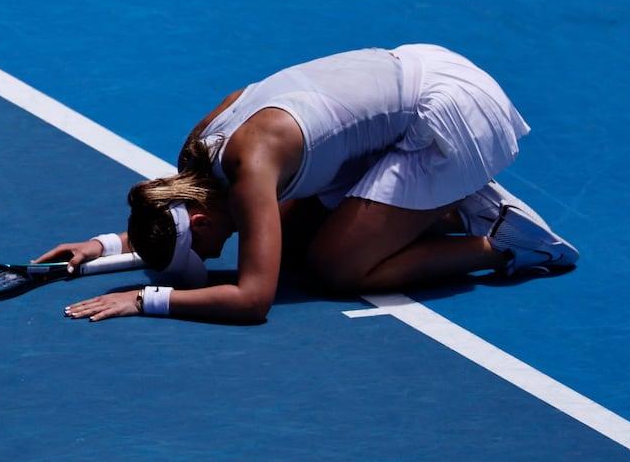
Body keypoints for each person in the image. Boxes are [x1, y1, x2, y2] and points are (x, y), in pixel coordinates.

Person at [35, 45, 577, 323]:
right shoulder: (198, 156)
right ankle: (447, 203)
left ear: (198, 219)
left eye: (201, 249)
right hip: (421, 75)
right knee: (288, 244)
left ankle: (500, 242)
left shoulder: (250, 173)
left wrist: (147, 299)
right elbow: (174, 217)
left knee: (333, 269)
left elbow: (253, 300)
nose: (212, 254)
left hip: (454, 115)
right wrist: (105, 246)